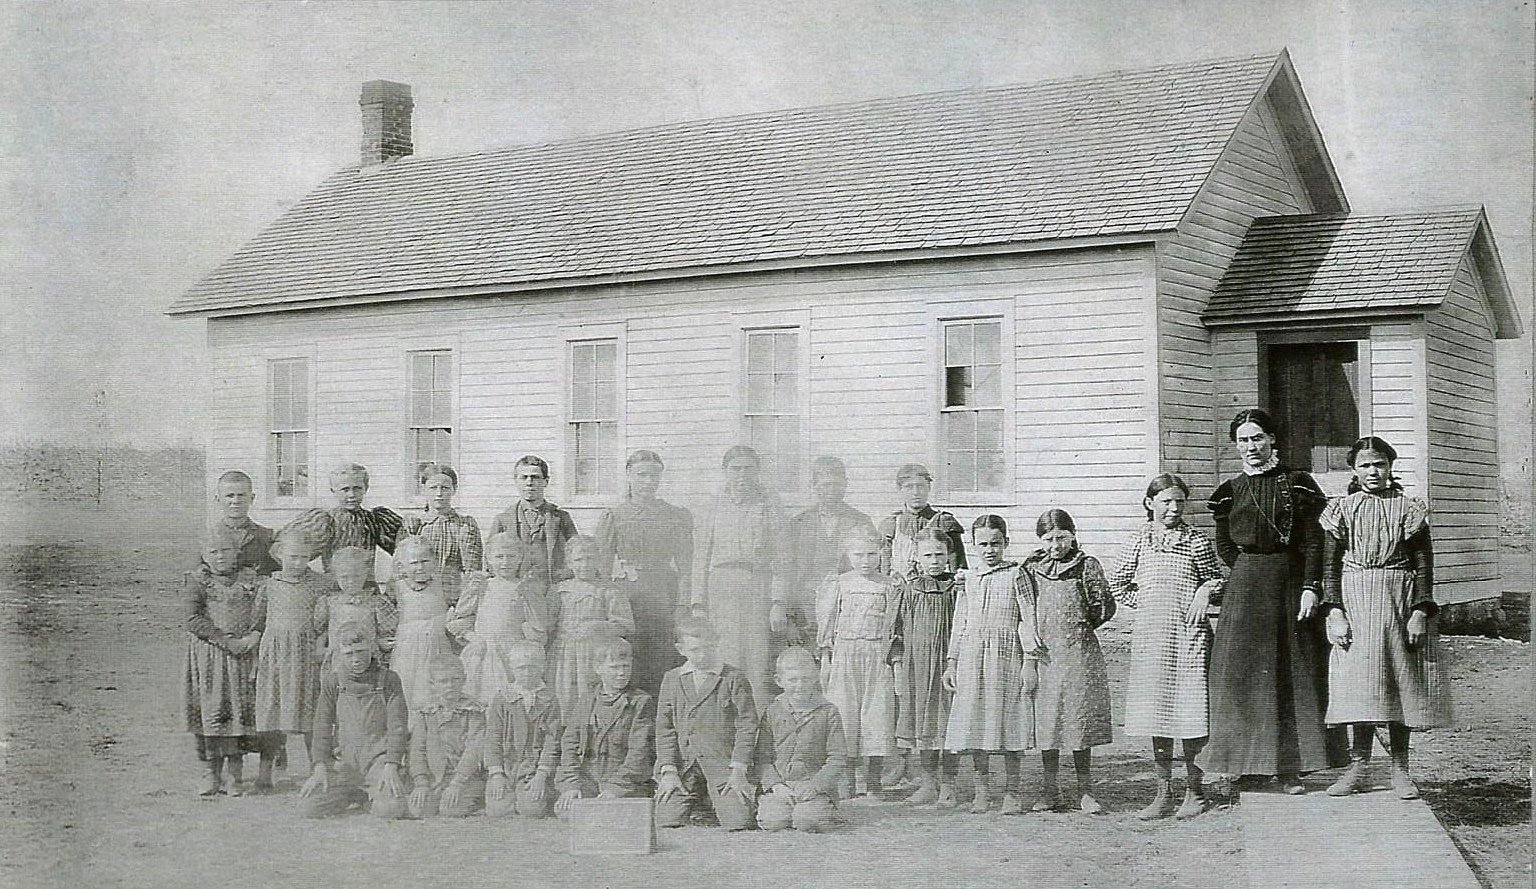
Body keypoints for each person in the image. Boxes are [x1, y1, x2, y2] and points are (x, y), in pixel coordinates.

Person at [1202, 408, 1341, 793]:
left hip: (1290, 586)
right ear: (1236, 445)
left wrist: (1311, 585)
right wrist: (1251, 568)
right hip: (1245, 591)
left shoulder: (1297, 483)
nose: (1251, 447)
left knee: (1289, 673)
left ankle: (1290, 768)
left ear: (1272, 440)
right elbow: (1226, 546)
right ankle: (1246, 765)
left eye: (1258, 438)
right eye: (1244, 440)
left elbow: (1315, 540)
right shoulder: (1229, 490)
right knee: (1241, 676)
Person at [1320, 437, 1450, 800]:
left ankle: (1400, 770)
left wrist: (1421, 611)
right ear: (1354, 470)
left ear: (1390, 466)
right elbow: (1328, 568)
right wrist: (1334, 612)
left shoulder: (1409, 509)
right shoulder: (1341, 510)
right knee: (1360, 685)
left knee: (1397, 684)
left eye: (1379, 464)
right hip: (1355, 601)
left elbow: (1424, 566)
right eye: (1364, 465)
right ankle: (1358, 766)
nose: (1372, 471)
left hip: (1399, 600)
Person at [1106, 474, 1225, 820]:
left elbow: (1216, 580)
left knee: (1190, 714)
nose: (1173, 508)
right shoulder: (1139, 541)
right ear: (1150, 504)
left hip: (1189, 637)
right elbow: (1117, 584)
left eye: (1179, 502)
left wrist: (1205, 592)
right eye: (1166, 502)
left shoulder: (1196, 542)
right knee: (1158, 714)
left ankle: (1195, 792)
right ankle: (1163, 793)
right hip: (1152, 638)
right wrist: (1144, 605)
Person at [1018, 509, 1114, 814]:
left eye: (1061, 537)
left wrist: (1079, 629)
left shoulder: (1086, 565)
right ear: (1040, 540)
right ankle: (1050, 791)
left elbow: (1104, 607)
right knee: (1049, 723)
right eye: (1049, 539)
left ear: (1072, 535)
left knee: (1078, 722)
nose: (1056, 545)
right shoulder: (1032, 568)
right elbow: (1024, 606)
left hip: (1079, 654)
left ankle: (1085, 791)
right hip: (1045, 656)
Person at [942, 515, 1037, 814]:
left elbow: (1028, 617)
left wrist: (1030, 660)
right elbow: (960, 622)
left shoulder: (1016, 574)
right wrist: (952, 661)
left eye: (996, 543)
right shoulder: (967, 578)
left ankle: (1012, 790)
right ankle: (981, 791)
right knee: (976, 721)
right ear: (973, 546)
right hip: (972, 655)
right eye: (982, 544)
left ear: (1006, 543)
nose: (989, 550)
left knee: (1008, 719)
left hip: (1007, 654)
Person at [692, 445, 788, 707]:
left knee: (756, 659)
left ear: (757, 473)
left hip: (757, 584)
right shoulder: (712, 506)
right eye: (735, 469)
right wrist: (698, 604)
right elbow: (700, 556)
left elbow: (782, 557)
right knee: (723, 655)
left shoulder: (769, 506)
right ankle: (724, 722)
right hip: (720, 586)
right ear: (725, 472)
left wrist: (778, 602)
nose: (741, 476)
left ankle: (756, 728)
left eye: (748, 469)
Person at [594, 450, 694, 698]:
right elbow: (602, 568)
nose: (648, 481)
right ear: (629, 476)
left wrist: (682, 604)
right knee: (629, 656)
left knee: (663, 658)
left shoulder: (675, 515)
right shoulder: (615, 516)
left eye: (653, 476)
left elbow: (686, 567)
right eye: (641, 475)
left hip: (663, 595)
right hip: (628, 596)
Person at [653, 615, 758, 831]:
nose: (702, 655)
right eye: (695, 650)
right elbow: (664, 728)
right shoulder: (672, 679)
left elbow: (747, 725)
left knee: (738, 821)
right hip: (685, 766)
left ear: (717, 642)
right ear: (681, 649)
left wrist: (738, 770)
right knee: (667, 819)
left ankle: (715, 799)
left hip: (722, 765)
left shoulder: (733, 678)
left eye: (708, 647)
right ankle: (700, 799)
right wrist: (669, 771)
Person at [815, 529, 898, 798]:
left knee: (877, 715)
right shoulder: (839, 583)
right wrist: (826, 661)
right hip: (845, 654)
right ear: (848, 555)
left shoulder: (889, 585)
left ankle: (873, 781)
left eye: (871, 554)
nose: (865, 561)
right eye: (858, 555)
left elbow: (894, 624)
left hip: (876, 654)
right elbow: (827, 628)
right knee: (845, 714)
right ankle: (847, 780)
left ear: (881, 554)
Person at [182, 529, 263, 797]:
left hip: (241, 660)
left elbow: (264, 610)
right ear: (204, 556)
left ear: (237, 552)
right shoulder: (198, 582)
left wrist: (254, 635)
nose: (220, 557)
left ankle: (235, 777)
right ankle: (211, 774)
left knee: (237, 717)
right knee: (211, 716)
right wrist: (225, 641)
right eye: (213, 552)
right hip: (210, 660)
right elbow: (192, 619)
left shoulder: (250, 579)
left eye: (226, 551)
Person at [298, 624, 409, 819]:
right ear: (339, 654)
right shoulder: (333, 682)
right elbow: (322, 725)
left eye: (360, 652)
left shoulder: (389, 679)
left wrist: (392, 764)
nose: (356, 659)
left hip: (378, 761)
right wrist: (320, 766)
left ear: (372, 648)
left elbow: (397, 726)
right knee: (308, 808)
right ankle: (353, 793)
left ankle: (371, 794)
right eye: (349, 654)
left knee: (391, 810)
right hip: (344, 763)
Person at [252, 528, 331, 790]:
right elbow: (258, 620)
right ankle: (267, 770)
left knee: (310, 712)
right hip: (275, 656)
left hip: (305, 656)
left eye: (304, 557)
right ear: (280, 555)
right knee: (271, 713)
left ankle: (317, 767)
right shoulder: (270, 585)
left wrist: (318, 641)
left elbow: (322, 621)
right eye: (293, 557)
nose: (298, 563)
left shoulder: (319, 584)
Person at [890, 529, 961, 806]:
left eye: (939, 555)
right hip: (916, 668)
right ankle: (928, 783)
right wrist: (897, 664)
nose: (934, 561)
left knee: (949, 724)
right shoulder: (908, 590)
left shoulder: (957, 589)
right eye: (928, 555)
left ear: (949, 556)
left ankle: (949, 784)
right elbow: (895, 631)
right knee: (923, 723)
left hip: (949, 667)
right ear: (917, 558)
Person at [555, 636, 656, 814]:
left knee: (612, 815)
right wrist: (571, 784)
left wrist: (615, 789)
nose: (621, 673)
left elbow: (639, 754)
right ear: (598, 668)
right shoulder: (586, 702)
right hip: (589, 780)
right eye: (614, 667)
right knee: (566, 811)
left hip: (625, 783)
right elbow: (570, 744)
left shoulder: (641, 702)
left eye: (626, 667)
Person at [755, 646, 847, 833]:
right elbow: (762, 757)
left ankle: (822, 808)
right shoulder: (773, 711)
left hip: (812, 786)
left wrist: (817, 784)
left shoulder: (829, 712)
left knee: (807, 821)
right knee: (773, 822)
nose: (800, 685)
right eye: (793, 680)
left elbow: (837, 758)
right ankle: (778, 805)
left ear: (815, 678)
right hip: (782, 786)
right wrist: (776, 785)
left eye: (806, 679)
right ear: (779, 681)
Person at [786, 456, 876, 646]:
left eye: (837, 484)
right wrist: (790, 619)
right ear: (814, 486)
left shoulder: (860, 521)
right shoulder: (798, 523)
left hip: (847, 605)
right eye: (825, 485)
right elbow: (788, 572)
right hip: (807, 606)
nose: (831, 490)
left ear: (845, 485)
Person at [549, 536, 635, 716]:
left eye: (590, 559)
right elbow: (548, 623)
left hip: (594, 655)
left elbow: (626, 626)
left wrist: (600, 627)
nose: (585, 564)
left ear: (599, 560)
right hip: (564, 656)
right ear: (569, 562)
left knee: (591, 697)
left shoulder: (609, 590)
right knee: (563, 698)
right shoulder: (558, 589)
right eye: (579, 560)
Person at [460, 533, 548, 707]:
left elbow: (538, 625)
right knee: (480, 696)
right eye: (499, 557)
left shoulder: (525, 588)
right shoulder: (482, 586)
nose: (505, 563)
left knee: (509, 698)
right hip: (482, 652)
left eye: (511, 557)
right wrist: (473, 638)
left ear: (520, 558)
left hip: (510, 652)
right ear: (489, 558)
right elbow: (461, 619)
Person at [483, 641, 562, 818]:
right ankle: (509, 793)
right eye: (521, 668)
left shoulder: (549, 700)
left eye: (532, 668)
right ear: (512, 668)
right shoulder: (502, 698)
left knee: (533, 810)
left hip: (533, 769)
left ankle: (533, 794)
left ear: (542, 667)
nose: (527, 673)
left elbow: (552, 741)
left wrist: (541, 775)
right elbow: (492, 738)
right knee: (498, 810)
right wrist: (496, 774)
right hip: (507, 766)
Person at [283, 464, 404, 576]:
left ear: (366, 488)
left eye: (357, 488)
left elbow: (406, 549)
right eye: (345, 489)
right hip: (334, 587)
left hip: (367, 587)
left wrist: (409, 522)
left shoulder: (375, 519)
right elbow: (285, 551)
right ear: (333, 490)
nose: (351, 494)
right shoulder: (325, 520)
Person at [408, 653, 489, 818]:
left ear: (464, 680)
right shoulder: (426, 712)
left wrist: (457, 783)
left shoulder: (473, 711)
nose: (450, 685)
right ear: (432, 684)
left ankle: (476, 798)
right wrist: (421, 782)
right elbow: (418, 750)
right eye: (443, 681)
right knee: (418, 810)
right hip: (435, 777)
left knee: (450, 810)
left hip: (465, 778)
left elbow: (474, 750)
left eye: (455, 679)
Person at [486, 455, 579, 593]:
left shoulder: (561, 518)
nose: (529, 483)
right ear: (516, 481)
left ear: (546, 481)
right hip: (516, 592)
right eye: (524, 477)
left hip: (552, 591)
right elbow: (489, 561)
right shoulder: (503, 520)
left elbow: (577, 552)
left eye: (535, 477)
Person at [403, 463, 484, 612]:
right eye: (433, 488)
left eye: (445, 488)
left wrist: (463, 607)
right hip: (419, 601)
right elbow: (402, 571)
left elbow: (472, 571)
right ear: (423, 489)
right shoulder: (414, 526)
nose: (439, 493)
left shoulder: (465, 525)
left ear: (454, 489)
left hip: (454, 601)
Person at [389, 536, 455, 715]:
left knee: (436, 685)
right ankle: (411, 729)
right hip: (408, 649)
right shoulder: (398, 587)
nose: (420, 567)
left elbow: (456, 611)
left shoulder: (442, 584)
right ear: (402, 566)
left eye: (425, 561)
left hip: (437, 645)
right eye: (414, 562)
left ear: (434, 560)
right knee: (408, 685)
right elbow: (387, 618)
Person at [877, 463, 966, 580]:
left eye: (921, 486)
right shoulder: (892, 524)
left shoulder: (944, 522)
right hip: (901, 589)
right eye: (909, 487)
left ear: (929, 488)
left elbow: (958, 567)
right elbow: (884, 567)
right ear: (900, 490)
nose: (916, 492)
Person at [317, 546, 398, 669]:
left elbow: (386, 633)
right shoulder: (329, 603)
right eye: (345, 577)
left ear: (365, 574)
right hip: (339, 659)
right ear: (335, 576)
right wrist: (320, 647)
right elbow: (321, 631)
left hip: (368, 657)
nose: (351, 581)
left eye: (356, 576)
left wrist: (381, 643)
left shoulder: (376, 602)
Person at [209, 469, 280, 576]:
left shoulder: (267, 537)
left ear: (251, 498)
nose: (236, 501)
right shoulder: (208, 537)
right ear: (218, 499)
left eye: (241, 495)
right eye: (230, 496)